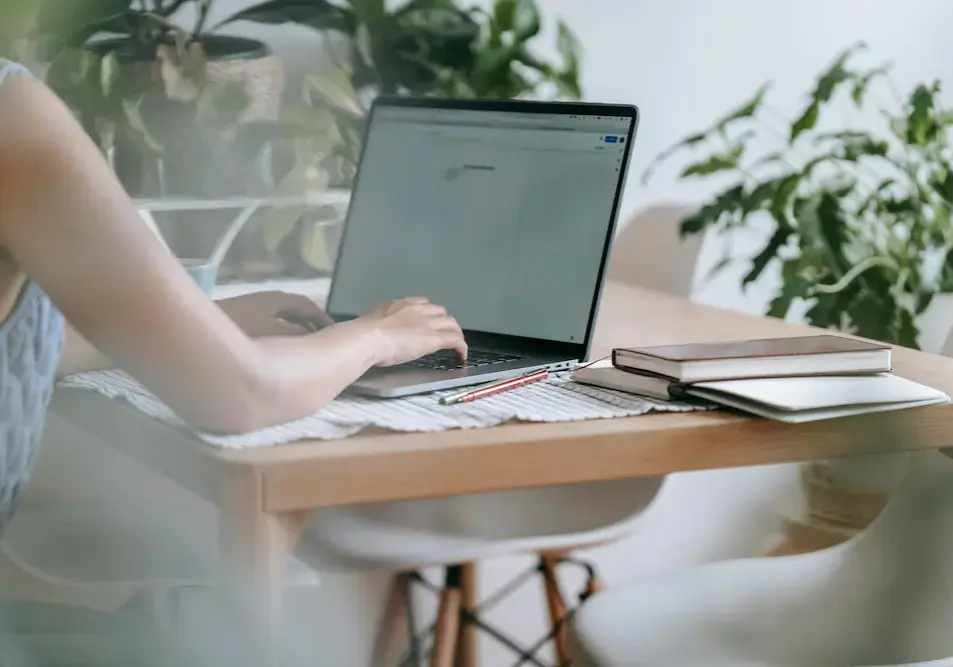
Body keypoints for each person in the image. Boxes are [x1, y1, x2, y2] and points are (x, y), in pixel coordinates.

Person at [0, 58, 466, 664]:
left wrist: (205, 325)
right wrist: (376, 336)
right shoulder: (13, 116)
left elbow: (33, 348)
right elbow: (243, 396)